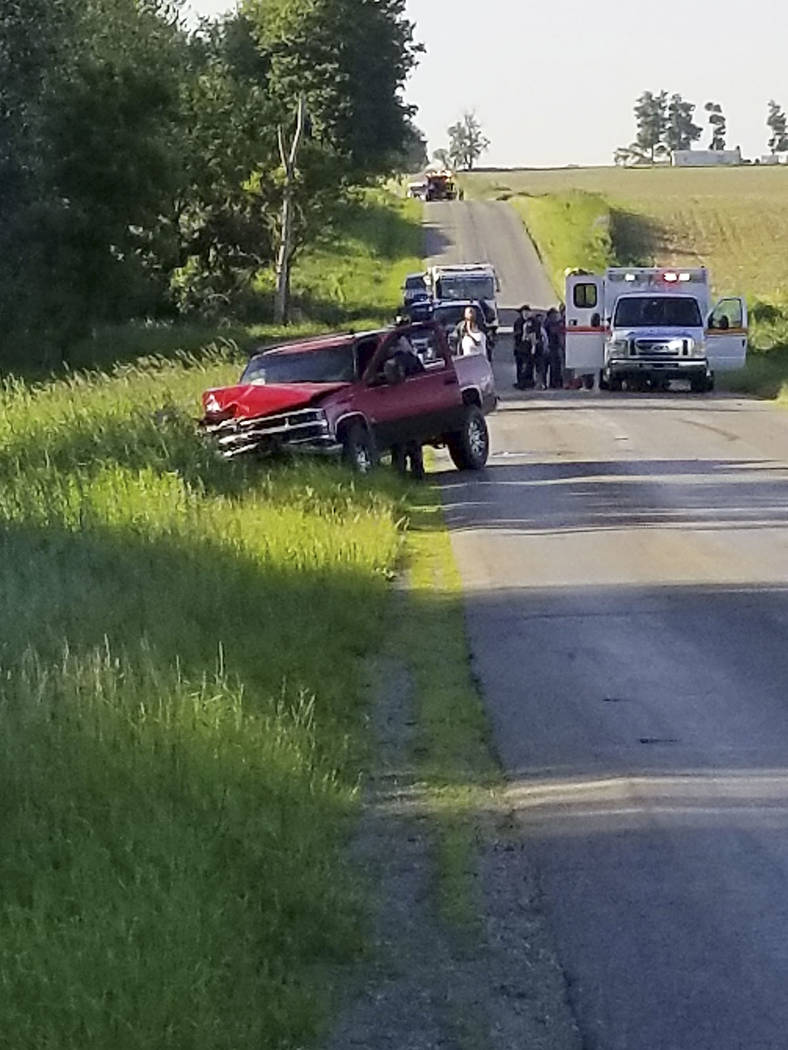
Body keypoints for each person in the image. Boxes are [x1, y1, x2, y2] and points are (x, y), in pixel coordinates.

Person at [512, 305, 533, 389]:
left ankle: (528, 381)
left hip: (527, 347)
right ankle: (521, 382)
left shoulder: (532, 322)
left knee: (528, 365)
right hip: (520, 347)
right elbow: (516, 335)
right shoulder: (518, 322)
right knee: (521, 366)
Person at [544, 307, 564, 389]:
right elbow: (554, 333)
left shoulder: (549, 323)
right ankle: (554, 383)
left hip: (554, 347)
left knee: (556, 366)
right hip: (552, 347)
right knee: (554, 366)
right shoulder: (549, 324)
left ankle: (555, 383)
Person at [527, 311, 548, 389]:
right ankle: (538, 383)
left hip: (541, 350)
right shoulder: (537, 330)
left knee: (542, 369)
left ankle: (542, 383)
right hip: (538, 351)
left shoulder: (542, 329)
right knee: (539, 368)